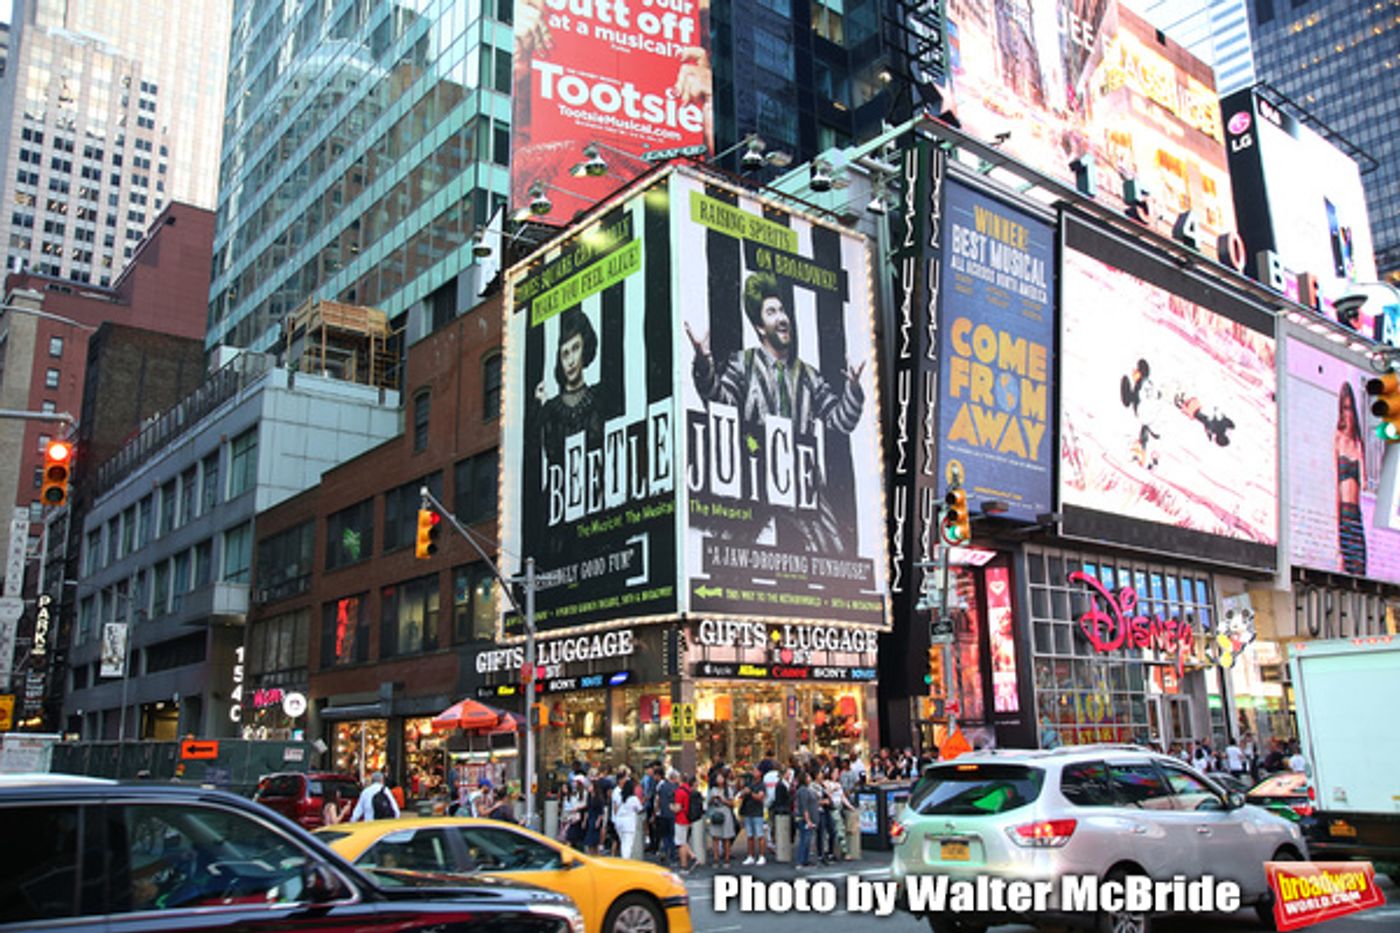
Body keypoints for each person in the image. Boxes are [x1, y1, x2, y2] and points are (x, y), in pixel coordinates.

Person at [685, 271, 867, 554]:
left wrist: (853, 389)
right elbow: (720, 402)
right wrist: (704, 361)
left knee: (835, 553)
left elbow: (840, 422)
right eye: (772, 312)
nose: (782, 318)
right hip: (754, 479)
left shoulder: (808, 375)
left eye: (783, 310)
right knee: (724, 556)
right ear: (759, 326)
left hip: (801, 483)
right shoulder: (741, 365)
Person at [1335, 382, 1368, 575]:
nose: (1348, 414)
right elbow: (1335, 486)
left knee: (1359, 569)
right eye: (1344, 408)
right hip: (1344, 513)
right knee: (1345, 568)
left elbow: (1364, 482)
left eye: (1350, 408)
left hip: (1356, 515)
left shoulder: (1358, 443)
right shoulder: (1338, 439)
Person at [706, 769, 737, 867]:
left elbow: (733, 804)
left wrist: (724, 800)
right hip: (715, 812)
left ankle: (726, 859)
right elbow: (708, 803)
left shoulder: (728, 790)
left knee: (726, 837)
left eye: (721, 777)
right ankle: (716, 859)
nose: (719, 779)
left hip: (725, 812)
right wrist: (712, 799)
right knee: (715, 837)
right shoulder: (713, 789)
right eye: (717, 778)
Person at [738, 768, 767, 865]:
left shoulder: (761, 785)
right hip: (748, 811)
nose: (754, 773)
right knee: (749, 835)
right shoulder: (749, 783)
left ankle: (762, 856)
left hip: (757, 812)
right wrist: (743, 791)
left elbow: (760, 797)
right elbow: (740, 795)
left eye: (756, 771)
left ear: (760, 773)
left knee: (760, 835)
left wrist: (750, 793)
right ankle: (750, 856)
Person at [672, 772, 697, 872]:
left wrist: (671, 807)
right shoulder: (688, 790)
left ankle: (685, 864)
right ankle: (692, 856)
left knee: (680, 842)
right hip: (687, 818)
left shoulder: (679, 792)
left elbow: (677, 808)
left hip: (680, 818)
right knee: (683, 840)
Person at [614, 778, 644, 860]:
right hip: (629, 822)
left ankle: (624, 858)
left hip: (619, 820)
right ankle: (626, 860)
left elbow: (615, 808)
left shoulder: (619, 796)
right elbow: (640, 809)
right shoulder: (633, 799)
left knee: (623, 842)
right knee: (628, 843)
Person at [794, 771, 819, 868]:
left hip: (808, 818)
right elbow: (804, 807)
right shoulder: (803, 790)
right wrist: (808, 820)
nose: (810, 778)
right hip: (804, 819)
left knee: (807, 840)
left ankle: (805, 859)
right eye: (808, 776)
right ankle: (800, 861)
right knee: (804, 839)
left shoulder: (806, 789)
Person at [654, 768, 677, 866]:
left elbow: (657, 800)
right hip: (673, 814)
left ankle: (664, 851)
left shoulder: (662, 787)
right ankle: (672, 855)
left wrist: (657, 811)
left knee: (666, 835)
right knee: (672, 835)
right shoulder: (676, 788)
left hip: (663, 814)